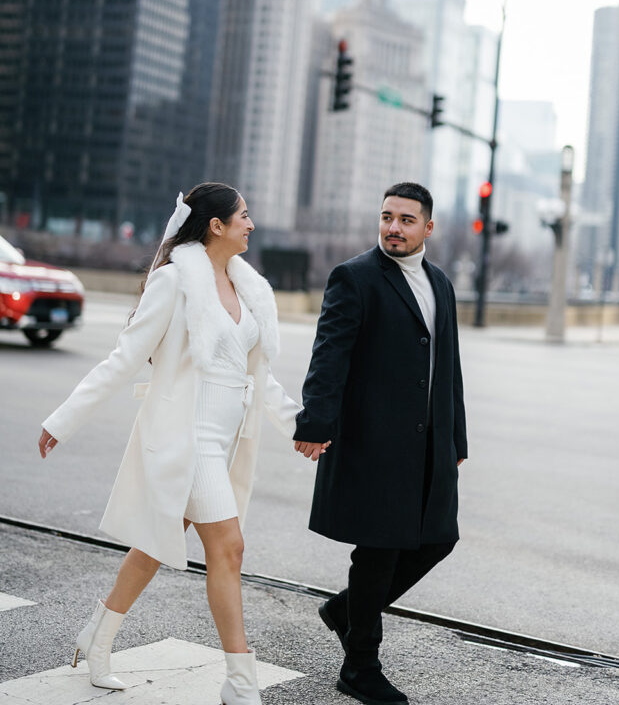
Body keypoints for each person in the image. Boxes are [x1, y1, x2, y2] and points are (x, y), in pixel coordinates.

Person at [38, 183, 322, 705]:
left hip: (226, 441)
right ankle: (240, 681)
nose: (250, 224)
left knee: (151, 548)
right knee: (229, 548)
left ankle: (95, 639)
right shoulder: (174, 282)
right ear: (215, 225)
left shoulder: (245, 288)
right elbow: (123, 358)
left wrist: (301, 428)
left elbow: (259, 378)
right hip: (186, 438)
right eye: (243, 215)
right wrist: (63, 419)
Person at [294, 181, 467, 705]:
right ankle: (359, 667)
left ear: (427, 227)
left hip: (428, 442)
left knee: (439, 538)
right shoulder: (355, 277)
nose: (393, 227)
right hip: (374, 439)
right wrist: (314, 422)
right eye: (387, 216)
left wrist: (455, 435)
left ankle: (345, 610)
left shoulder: (440, 283)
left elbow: (448, 368)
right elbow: (331, 354)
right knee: (379, 552)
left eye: (406, 219)